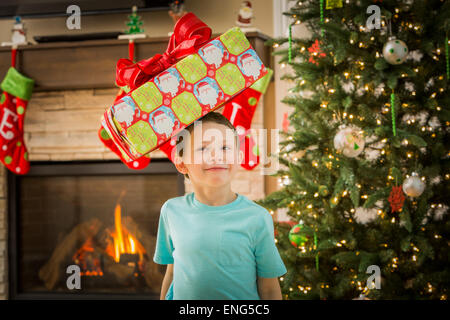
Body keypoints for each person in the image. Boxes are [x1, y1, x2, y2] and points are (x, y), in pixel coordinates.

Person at [153, 111, 287, 300]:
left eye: (225, 147)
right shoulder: (171, 211)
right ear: (182, 164)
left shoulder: (257, 217)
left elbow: (269, 289)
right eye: (203, 149)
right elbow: (172, 273)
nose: (216, 156)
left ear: (238, 158)